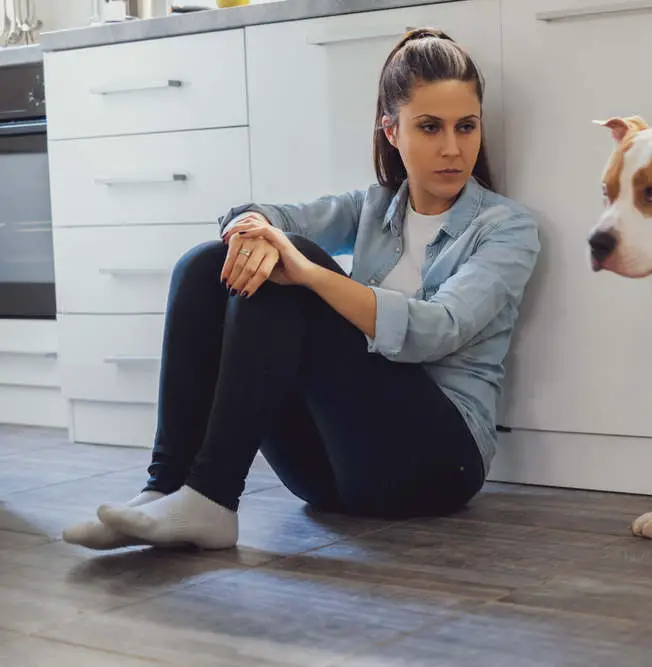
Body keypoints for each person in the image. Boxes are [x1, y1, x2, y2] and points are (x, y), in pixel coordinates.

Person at [62, 28, 540, 551]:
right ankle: (167, 487)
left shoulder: (505, 227)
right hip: (329, 473)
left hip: (435, 465)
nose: (453, 148)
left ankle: (212, 497)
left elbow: (440, 331)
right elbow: (270, 215)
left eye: (465, 127)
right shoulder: (373, 209)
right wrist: (251, 229)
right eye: (430, 127)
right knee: (208, 262)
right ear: (392, 131)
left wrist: (311, 273)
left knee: (295, 263)